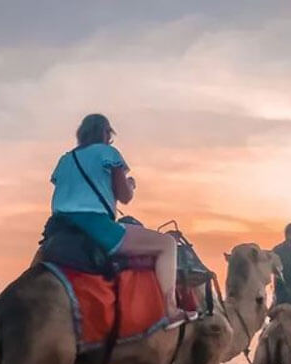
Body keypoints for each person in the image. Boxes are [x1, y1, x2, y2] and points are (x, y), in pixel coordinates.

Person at [49, 113, 190, 323]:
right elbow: (124, 197)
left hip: (56, 229)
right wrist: (130, 185)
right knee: (167, 244)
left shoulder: (65, 159)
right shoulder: (109, 153)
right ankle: (170, 310)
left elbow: (73, 189)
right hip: (94, 226)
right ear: (106, 133)